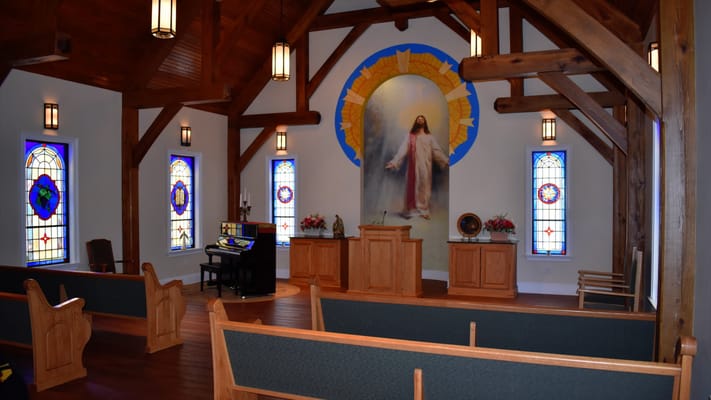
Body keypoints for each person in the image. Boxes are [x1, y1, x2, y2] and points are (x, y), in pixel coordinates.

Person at [385, 115, 448, 219]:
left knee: (424, 186)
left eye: (422, 119)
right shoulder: (410, 136)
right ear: (416, 122)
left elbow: (436, 150)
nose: (420, 120)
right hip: (414, 165)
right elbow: (402, 149)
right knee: (414, 185)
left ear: (425, 122)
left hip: (426, 165)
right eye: (418, 119)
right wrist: (394, 162)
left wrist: (445, 160)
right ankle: (412, 210)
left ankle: (423, 210)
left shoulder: (429, 137)